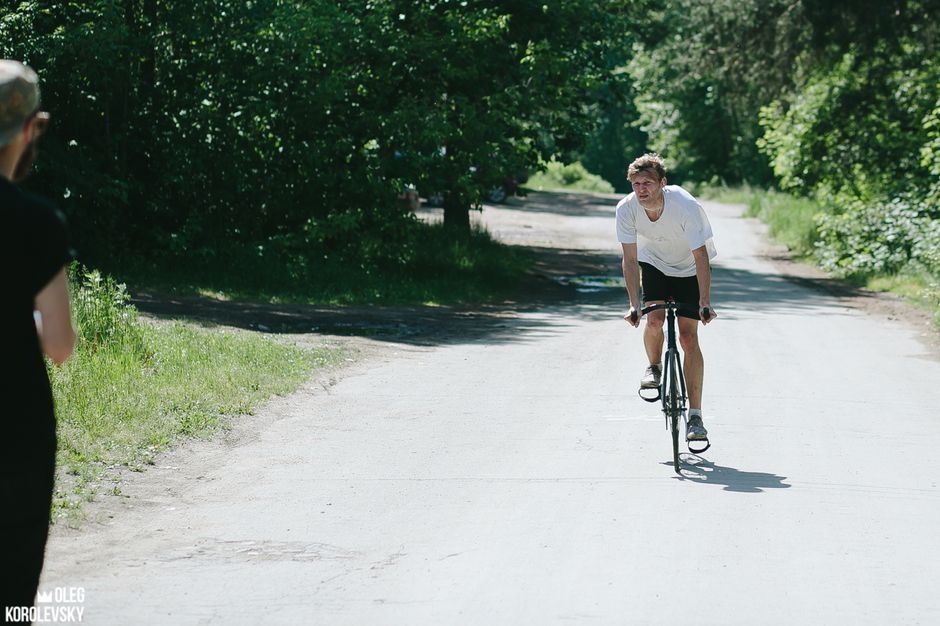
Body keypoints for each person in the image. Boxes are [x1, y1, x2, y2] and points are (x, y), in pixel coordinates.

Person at [1, 59, 76, 620]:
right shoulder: (37, 221)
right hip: (15, 428)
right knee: (14, 584)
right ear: (29, 128)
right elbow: (59, 344)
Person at [616, 153, 717, 441]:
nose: (641, 189)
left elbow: (701, 257)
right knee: (654, 319)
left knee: (688, 337)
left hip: (688, 268)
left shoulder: (685, 206)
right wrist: (634, 304)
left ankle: (695, 417)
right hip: (654, 264)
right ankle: (654, 367)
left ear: (663, 182)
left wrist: (705, 301)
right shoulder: (626, 209)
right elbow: (630, 258)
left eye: (647, 182)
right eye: (636, 184)